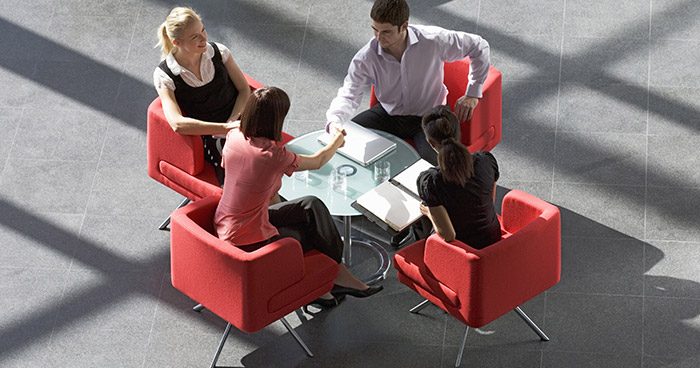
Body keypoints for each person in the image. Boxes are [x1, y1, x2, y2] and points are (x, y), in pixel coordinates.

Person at [214, 87, 382, 308]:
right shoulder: (272, 155)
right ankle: (330, 280)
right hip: (249, 238)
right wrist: (336, 141)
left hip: (229, 220)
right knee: (309, 231)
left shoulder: (234, 135)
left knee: (311, 205)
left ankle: (334, 275)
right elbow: (318, 160)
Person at [325, 0, 490, 165]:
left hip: (430, 118)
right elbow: (349, 93)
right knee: (345, 142)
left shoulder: (433, 41)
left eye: (386, 32)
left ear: (404, 26)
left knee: (435, 168)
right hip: (388, 115)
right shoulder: (366, 57)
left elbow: (479, 46)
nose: (378, 38)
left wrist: (473, 93)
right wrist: (335, 121)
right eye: (375, 30)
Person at [154, 7, 251, 184]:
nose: (204, 38)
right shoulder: (165, 75)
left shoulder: (219, 52)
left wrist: (233, 120)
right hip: (210, 134)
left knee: (264, 155)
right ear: (176, 43)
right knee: (238, 168)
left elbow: (244, 89)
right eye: (195, 37)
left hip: (237, 117)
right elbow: (177, 123)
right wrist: (223, 129)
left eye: (203, 30)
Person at [416, 106, 501, 249]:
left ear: (430, 143)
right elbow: (489, 200)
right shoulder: (486, 161)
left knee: (423, 220)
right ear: (458, 133)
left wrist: (429, 213)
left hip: (463, 252)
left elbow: (448, 236)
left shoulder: (431, 182)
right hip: (493, 239)